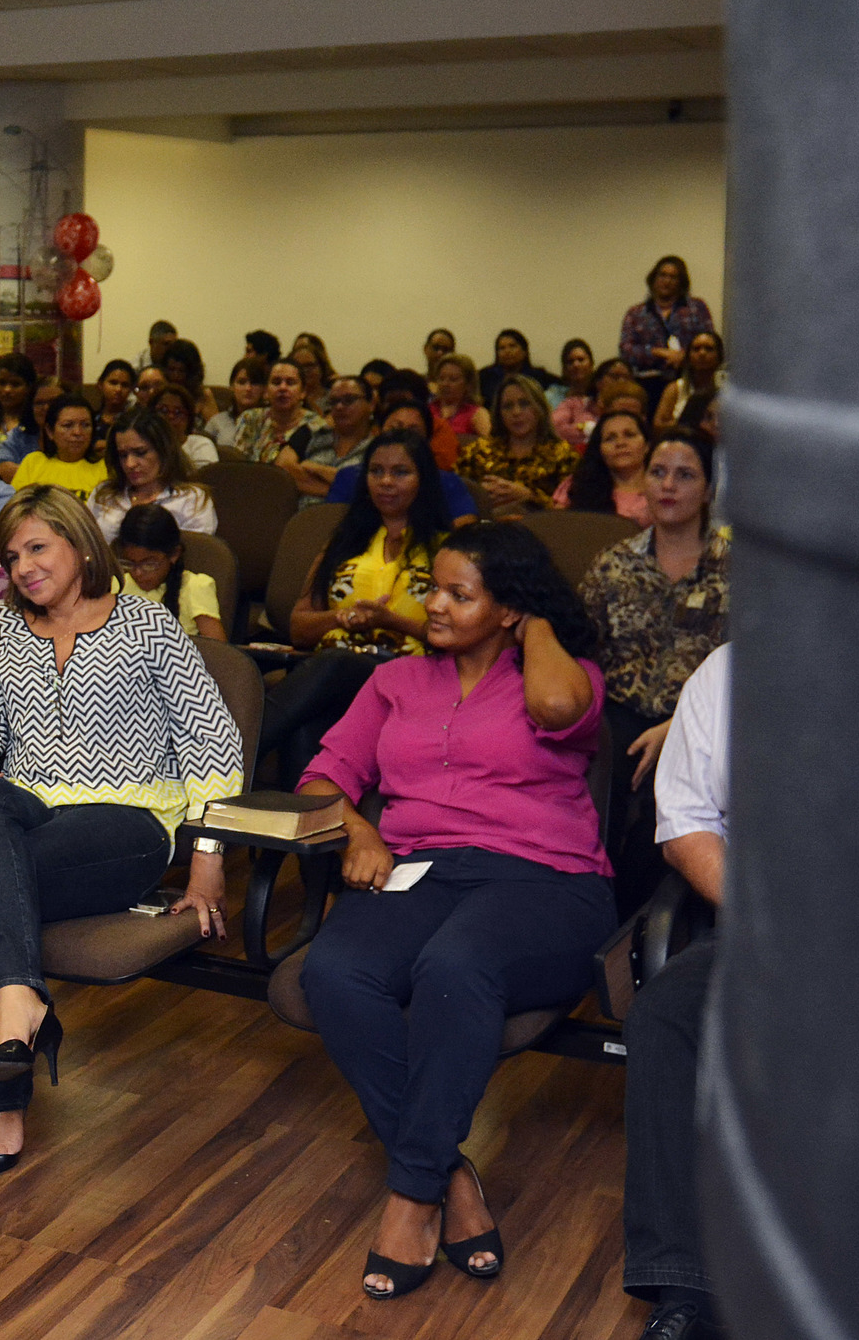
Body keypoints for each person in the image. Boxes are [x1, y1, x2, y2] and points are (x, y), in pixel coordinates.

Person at [298, 520, 613, 1301]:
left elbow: (557, 705)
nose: (433, 604)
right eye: (431, 588)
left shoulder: (563, 675)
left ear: (508, 608)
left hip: (547, 878)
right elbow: (322, 777)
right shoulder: (397, 680)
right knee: (333, 968)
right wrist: (359, 829)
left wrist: (535, 625)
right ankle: (448, 1174)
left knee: (457, 962)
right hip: (424, 871)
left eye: (458, 593)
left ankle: (411, 1195)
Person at [0, 486, 243, 1179]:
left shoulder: (147, 624)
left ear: (80, 545)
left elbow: (212, 745)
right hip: (31, 812)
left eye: (37, 548)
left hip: (128, 821)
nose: (23, 568)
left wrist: (208, 859)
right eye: (11, 556)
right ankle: (21, 1003)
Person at [622, 642, 730, 1340]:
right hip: (764, 921)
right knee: (665, 1014)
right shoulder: (728, 673)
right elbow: (687, 822)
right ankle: (687, 1285)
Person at [579, 432, 727, 914]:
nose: (668, 485)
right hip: (617, 717)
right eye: (658, 472)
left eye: (685, 475)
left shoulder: (737, 569)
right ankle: (590, 915)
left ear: (709, 489)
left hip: (700, 719)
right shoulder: (614, 564)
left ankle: (637, 929)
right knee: (607, 775)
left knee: (658, 819)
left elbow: (744, 668)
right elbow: (580, 649)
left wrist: (674, 726)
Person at [259, 429, 454, 788]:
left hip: (410, 671)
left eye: (400, 472)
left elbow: (462, 637)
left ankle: (235, 749)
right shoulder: (343, 543)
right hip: (332, 672)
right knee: (308, 721)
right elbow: (299, 627)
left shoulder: (448, 550)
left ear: (424, 480)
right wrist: (341, 617)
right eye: (376, 471)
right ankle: (293, 822)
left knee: (334, 666)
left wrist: (391, 621)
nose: (385, 482)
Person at [324, 402, 481, 526]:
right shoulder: (349, 477)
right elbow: (331, 527)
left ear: (427, 440)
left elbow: (465, 528)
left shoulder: (446, 482)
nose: (402, 438)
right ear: (377, 433)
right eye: (395, 429)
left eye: (413, 432)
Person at [87, 408, 217, 541]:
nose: (129, 464)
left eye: (140, 453)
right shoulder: (103, 494)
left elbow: (196, 552)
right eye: (123, 455)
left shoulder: (191, 500)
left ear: (164, 451)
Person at [455, 376, 576, 510]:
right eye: (507, 406)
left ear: (539, 407)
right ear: (499, 413)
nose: (516, 412)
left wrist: (530, 497)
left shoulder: (563, 454)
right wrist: (479, 494)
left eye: (524, 404)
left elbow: (573, 512)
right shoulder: (477, 451)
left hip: (540, 521)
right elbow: (452, 496)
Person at [620, 256, 716, 414]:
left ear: (681, 282)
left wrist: (684, 355)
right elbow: (626, 350)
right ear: (653, 279)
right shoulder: (636, 313)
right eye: (663, 275)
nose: (667, 281)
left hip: (689, 381)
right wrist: (659, 353)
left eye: (673, 277)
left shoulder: (697, 308)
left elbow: (710, 342)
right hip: (647, 384)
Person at [114, 504, 226, 638]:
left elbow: (217, 648)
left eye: (149, 564)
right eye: (130, 563)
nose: (137, 573)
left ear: (174, 554)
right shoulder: (117, 585)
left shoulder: (194, 588)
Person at [279, 373, 375, 502]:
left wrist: (316, 469)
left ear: (371, 404)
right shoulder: (312, 433)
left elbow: (368, 487)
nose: (339, 407)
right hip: (303, 513)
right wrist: (338, 492)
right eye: (333, 402)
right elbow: (283, 469)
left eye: (349, 400)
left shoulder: (378, 446)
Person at [554, 411, 652, 525]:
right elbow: (557, 530)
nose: (620, 443)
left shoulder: (662, 489)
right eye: (610, 439)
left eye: (629, 435)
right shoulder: (577, 485)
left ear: (647, 445)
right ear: (599, 449)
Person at [11, 393, 106, 499]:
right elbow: (16, 504)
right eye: (68, 425)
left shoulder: (105, 467)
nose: (77, 432)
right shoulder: (33, 462)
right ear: (50, 431)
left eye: (85, 425)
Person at [235, 358, 325, 464]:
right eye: (276, 382)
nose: (282, 388)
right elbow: (238, 464)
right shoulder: (250, 418)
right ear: (266, 391)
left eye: (290, 383)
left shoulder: (316, 427)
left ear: (303, 392)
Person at [652, 330, 725, 435]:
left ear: (719, 356)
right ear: (688, 356)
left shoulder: (728, 390)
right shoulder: (675, 389)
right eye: (696, 349)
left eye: (709, 349)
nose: (702, 353)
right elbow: (658, 426)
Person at [0, 352, 41, 479]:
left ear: (29, 387)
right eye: (2, 382)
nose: (7, 390)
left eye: (15, 384)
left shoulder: (38, 425)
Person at [554, 355, 628, 449]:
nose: (621, 382)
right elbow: (555, 429)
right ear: (598, 382)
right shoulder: (573, 404)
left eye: (627, 378)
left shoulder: (632, 408)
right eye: (615, 376)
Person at [429, 353, 489, 465]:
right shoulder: (426, 410)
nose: (445, 384)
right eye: (441, 379)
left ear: (468, 384)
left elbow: (489, 446)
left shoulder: (477, 413)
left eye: (453, 379)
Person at [477, 329, 557, 411]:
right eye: (502, 348)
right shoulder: (485, 377)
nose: (507, 351)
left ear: (524, 351)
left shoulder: (538, 377)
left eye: (512, 346)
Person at [151, 383, 222, 469]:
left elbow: (204, 475)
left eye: (178, 412)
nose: (170, 416)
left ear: (189, 418)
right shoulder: (143, 445)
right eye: (164, 410)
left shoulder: (200, 445)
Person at [203, 357, 267, 452]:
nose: (248, 388)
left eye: (254, 383)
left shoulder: (271, 423)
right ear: (232, 386)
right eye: (242, 382)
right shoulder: (217, 422)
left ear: (264, 388)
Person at [159, 340, 217, 422]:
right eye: (171, 369)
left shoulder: (202, 396)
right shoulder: (159, 393)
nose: (176, 375)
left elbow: (215, 427)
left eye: (181, 371)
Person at [547, 338, 596, 407]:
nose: (576, 365)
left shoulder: (600, 396)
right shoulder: (552, 397)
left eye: (581, 360)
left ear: (591, 364)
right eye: (570, 362)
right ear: (564, 368)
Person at [94, 358, 137, 434]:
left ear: (131, 389)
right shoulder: (91, 420)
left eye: (125, 385)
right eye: (113, 383)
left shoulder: (135, 422)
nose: (118, 389)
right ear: (100, 384)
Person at [290, 339, 332, 414]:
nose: (305, 371)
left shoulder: (333, 398)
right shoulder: (288, 399)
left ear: (321, 367)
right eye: (299, 367)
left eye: (310, 366)